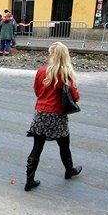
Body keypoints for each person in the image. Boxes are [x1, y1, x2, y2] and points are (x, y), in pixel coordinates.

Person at [24, 41, 82, 191]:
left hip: (41, 114)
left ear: (52, 55)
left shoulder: (41, 71)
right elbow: (75, 97)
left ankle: (29, 181)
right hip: (57, 115)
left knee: (37, 147)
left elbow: (37, 92)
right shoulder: (65, 74)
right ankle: (69, 171)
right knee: (64, 146)